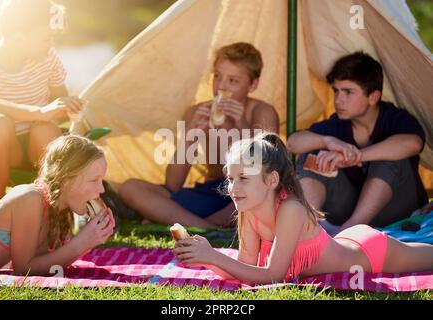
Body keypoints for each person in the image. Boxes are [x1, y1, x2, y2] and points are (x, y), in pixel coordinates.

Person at [173, 133, 433, 286]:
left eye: (243, 178)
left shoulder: (290, 209)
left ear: (271, 180)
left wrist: (213, 257)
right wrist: (205, 258)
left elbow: (272, 277)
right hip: (342, 242)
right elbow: (246, 268)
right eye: (230, 178)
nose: (233, 187)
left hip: (369, 253)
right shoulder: (248, 210)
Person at [119, 42, 279, 228]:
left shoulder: (261, 112)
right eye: (217, 77)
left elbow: (264, 171)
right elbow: (173, 184)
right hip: (210, 192)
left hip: (245, 192)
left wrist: (242, 125)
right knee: (130, 188)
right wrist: (190, 136)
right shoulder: (197, 112)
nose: (221, 87)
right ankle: (208, 228)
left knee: (264, 193)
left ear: (253, 84)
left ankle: (188, 223)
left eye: (233, 81)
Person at [286, 51, 428, 233]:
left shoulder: (394, 118)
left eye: (348, 92)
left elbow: (414, 143)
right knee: (313, 156)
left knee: (390, 155)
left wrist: (355, 156)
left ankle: (350, 233)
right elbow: (293, 142)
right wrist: (328, 141)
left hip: (398, 212)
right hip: (349, 209)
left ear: (373, 97)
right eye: (336, 91)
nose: (338, 99)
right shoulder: (337, 124)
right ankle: (304, 229)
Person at [0, 0, 85, 214]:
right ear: (19, 38)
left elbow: (60, 105)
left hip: (39, 145)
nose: (50, 45)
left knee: (44, 127)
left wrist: (68, 106)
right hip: (3, 146)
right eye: (45, 39)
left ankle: (49, 217)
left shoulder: (48, 59)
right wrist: (35, 112)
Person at [0, 134, 115, 275]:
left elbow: (47, 265)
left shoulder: (60, 210)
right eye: (94, 180)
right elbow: (23, 270)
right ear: (66, 180)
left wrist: (89, 242)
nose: (101, 189)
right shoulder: (29, 199)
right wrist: (81, 242)